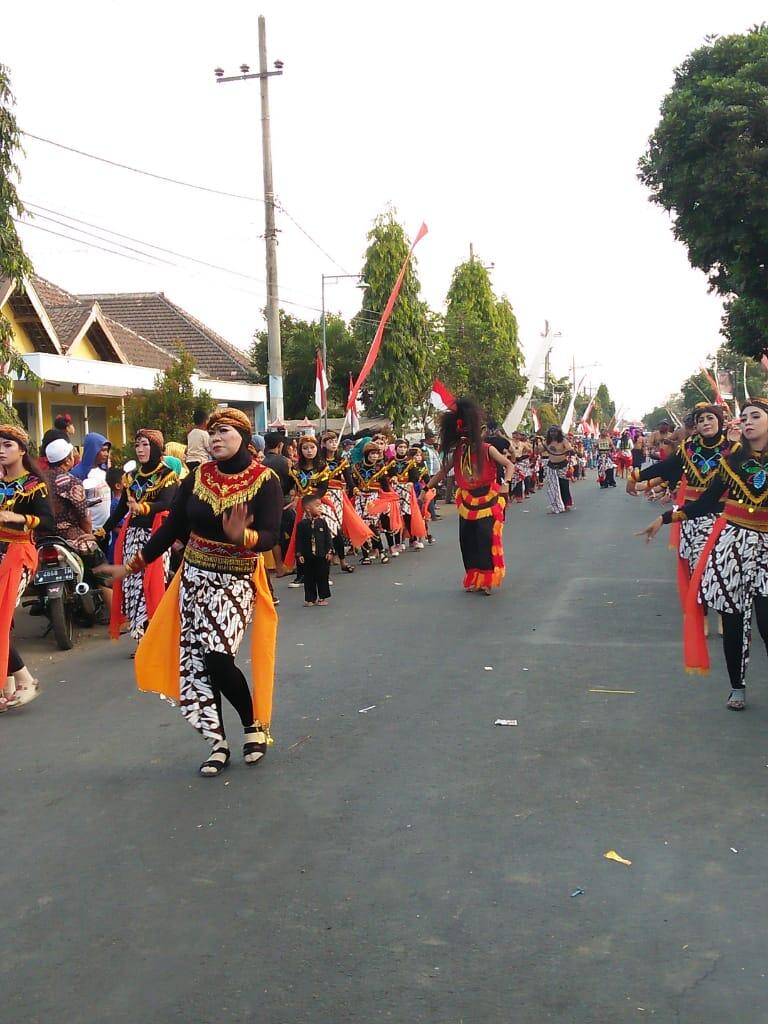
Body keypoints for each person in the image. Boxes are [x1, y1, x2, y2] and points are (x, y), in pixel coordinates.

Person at [98, 408, 283, 777]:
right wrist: (131, 566)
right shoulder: (197, 477)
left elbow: (270, 536)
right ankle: (217, 742)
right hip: (193, 578)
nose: (215, 437)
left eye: (224, 431)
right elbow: (172, 530)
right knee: (197, 663)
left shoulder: (265, 481)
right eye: (211, 432)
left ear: (244, 437)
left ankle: (252, 726)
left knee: (217, 657)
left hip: (234, 579)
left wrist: (241, 537)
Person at [638, 398, 768, 711]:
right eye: (744, 417)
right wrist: (666, 517)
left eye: (756, 416)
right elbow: (707, 502)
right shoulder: (732, 461)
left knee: (766, 622)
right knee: (734, 620)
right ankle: (737, 687)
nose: (748, 421)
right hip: (732, 545)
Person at [628, 404, 731, 613]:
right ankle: (701, 615)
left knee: (721, 567)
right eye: (700, 420)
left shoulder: (733, 449)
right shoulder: (689, 447)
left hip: (723, 517)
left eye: (710, 418)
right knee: (696, 567)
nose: (705, 423)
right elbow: (667, 468)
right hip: (692, 514)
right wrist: (636, 476)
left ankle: (724, 615)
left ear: (720, 422)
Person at [100, 429, 179, 648]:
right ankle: (141, 636)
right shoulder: (131, 477)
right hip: (131, 537)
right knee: (133, 586)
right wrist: (102, 530)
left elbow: (167, 504)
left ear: (155, 447)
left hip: (155, 537)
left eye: (145, 445)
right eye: (137, 445)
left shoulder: (167, 475)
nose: (140, 450)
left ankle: (157, 632)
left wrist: (144, 507)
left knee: (152, 584)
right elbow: (119, 511)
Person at [427, 397, 513, 594]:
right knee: (467, 540)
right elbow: (442, 472)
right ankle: (475, 577)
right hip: (466, 501)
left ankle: (488, 579)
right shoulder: (458, 452)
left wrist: (506, 484)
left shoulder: (487, 449)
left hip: (488, 500)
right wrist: (425, 488)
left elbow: (509, 465)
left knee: (485, 539)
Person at [0, 424, 55, 712]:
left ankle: (25, 680)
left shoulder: (35, 485)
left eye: (7, 444)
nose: (0, 449)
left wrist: (18, 518)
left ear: (22, 449)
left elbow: (47, 522)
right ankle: (7, 686)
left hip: (18, 553)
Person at [296, 490, 333, 606]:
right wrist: (299, 554)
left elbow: (328, 538)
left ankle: (323, 597)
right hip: (307, 556)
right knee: (309, 578)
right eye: (317, 506)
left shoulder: (322, 523)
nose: (320, 508)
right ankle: (310, 598)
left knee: (322, 577)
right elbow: (299, 540)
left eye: (320, 506)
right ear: (307, 508)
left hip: (322, 555)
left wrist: (329, 551)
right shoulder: (302, 524)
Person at [543, 426, 574, 513]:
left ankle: (566, 504)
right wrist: (536, 444)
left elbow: (568, 448)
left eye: (555, 431)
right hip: (551, 466)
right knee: (553, 487)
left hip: (562, 465)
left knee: (563, 485)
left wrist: (571, 451)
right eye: (551, 432)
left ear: (558, 433)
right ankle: (556, 506)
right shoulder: (547, 442)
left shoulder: (563, 441)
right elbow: (539, 450)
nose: (553, 433)